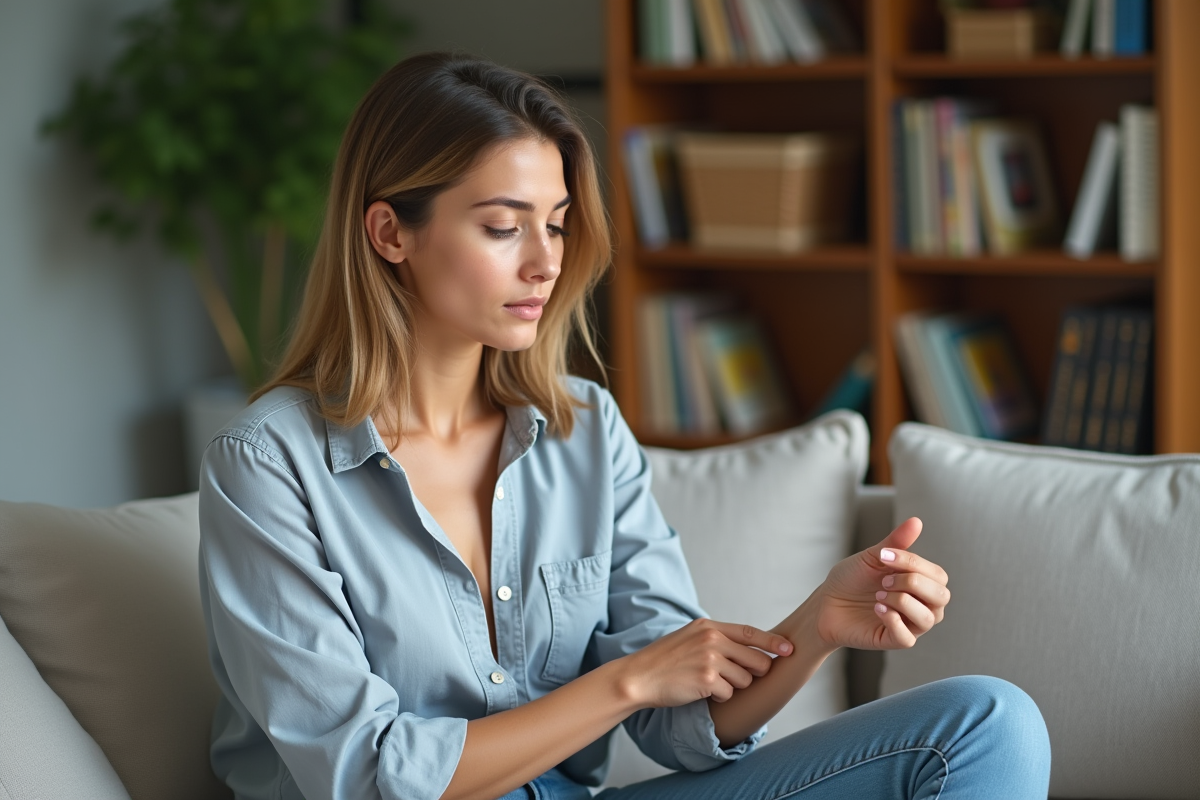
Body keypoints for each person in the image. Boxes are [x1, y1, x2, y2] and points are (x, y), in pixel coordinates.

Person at [197, 52, 1051, 800]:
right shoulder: (267, 464)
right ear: (390, 232)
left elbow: (681, 722)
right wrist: (627, 683)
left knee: (985, 722)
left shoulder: (584, 430)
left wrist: (816, 627)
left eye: (558, 225)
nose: (545, 261)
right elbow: (367, 775)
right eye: (502, 226)